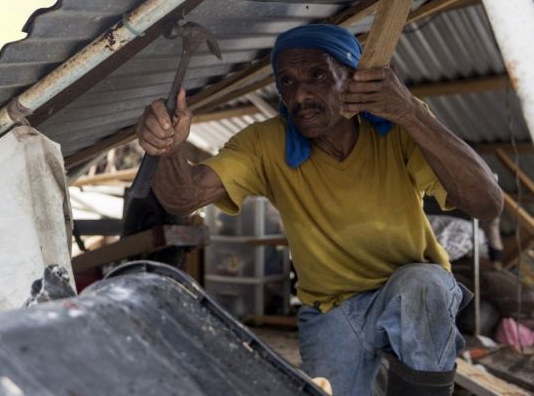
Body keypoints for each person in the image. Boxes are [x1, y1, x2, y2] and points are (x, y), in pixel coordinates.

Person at [137, 24, 502, 396]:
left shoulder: (397, 127)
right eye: (288, 81)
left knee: (423, 285)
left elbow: (487, 203)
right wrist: (167, 150)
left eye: (318, 75)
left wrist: (410, 113)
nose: (301, 94)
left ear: (352, 79)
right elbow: (184, 197)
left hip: (407, 291)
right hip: (331, 310)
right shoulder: (266, 142)